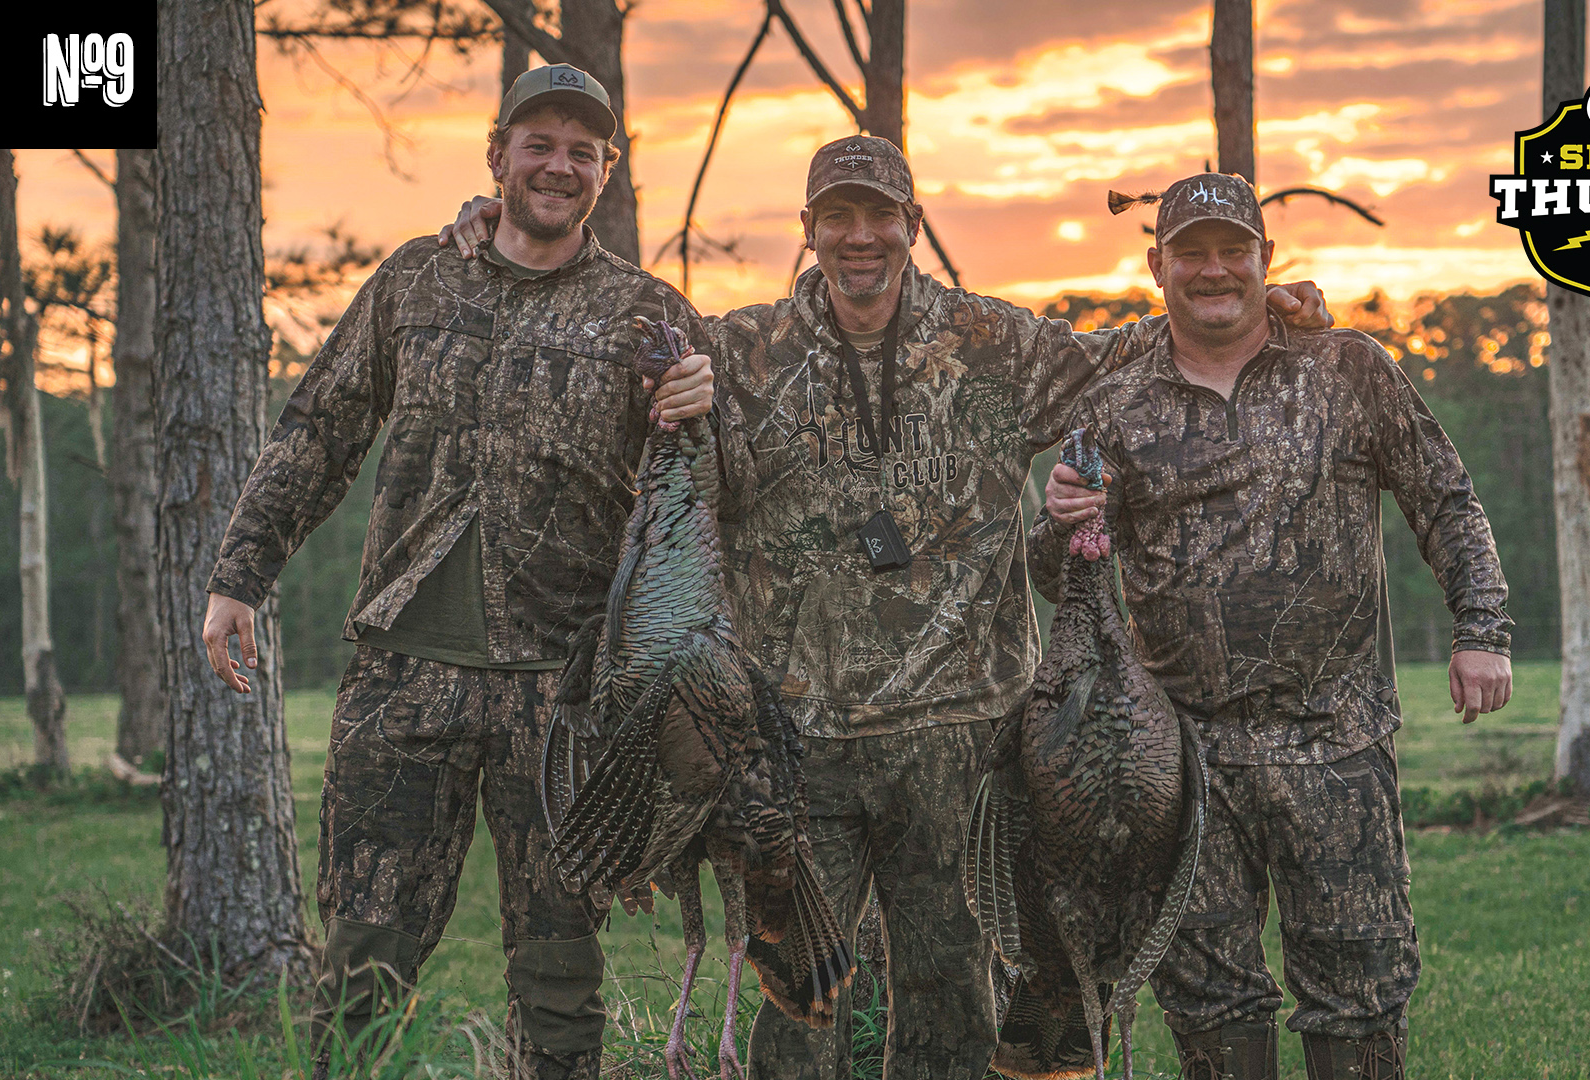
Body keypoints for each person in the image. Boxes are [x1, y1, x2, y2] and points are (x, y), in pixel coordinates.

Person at [437, 137, 1332, 1080]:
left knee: (955, 1006)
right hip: (792, 741)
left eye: (880, 217)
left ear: (912, 226)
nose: (860, 237)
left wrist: (1259, 307)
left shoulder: (993, 344)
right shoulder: (740, 352)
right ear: (810, 231)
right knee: (799, 1015)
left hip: (965, 737)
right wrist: (495, 225)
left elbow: (1134, 353)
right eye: (838, 218)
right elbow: (603, 346)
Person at [199, 65, 729, 1080]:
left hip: (564, 687)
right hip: (402, 680)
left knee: (561, 972)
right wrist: (240, 574)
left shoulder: (648, 315)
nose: (559, 165)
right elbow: (319, 431)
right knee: (366, 957)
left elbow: (702, 495)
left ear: (607, 172)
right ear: (497, 155)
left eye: (583, 149)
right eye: (540, 143)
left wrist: (702, 408)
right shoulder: (416, 280)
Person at [1029, 172, 1514, 1080]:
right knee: (1210, 998)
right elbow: (1060, 580)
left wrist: (1482, 628)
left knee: (1361, 989)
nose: (1213, 269)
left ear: (1265, 259)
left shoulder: (1350, 370)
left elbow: (1445, 501)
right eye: (1191, 253)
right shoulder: (1117, 409)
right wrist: (1061, 522)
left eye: (1232, 249)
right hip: (1183, 759)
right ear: (1156, 266)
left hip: (1338, 744)